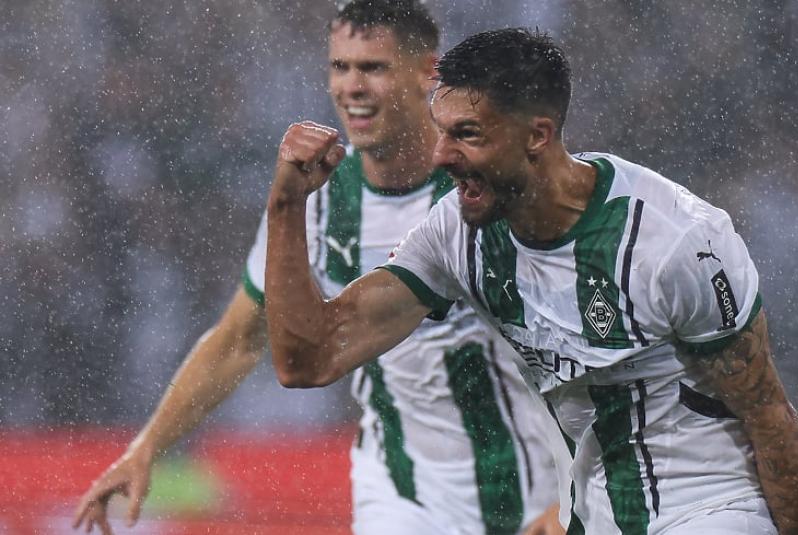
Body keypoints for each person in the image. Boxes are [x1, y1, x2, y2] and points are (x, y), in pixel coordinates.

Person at [263, 28, 798, 534]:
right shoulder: (456, 234)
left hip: (711, 509)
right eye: (440, 133)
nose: (441, 157)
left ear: (537, 135)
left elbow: (770, 419)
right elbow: (309, 359)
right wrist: (287, 204)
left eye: (466, 134)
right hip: (592, 519)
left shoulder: (674, 242)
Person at [74, 6, 563, 535]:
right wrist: (147, 447)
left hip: (540, 497)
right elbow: (239, 339)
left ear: (427, 72)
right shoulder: (316, 201)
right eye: (340, 67)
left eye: (373, 67)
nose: (352, 87)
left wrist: (573, 497)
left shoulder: (490, 190)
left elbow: (588, 339)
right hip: (404, 501)